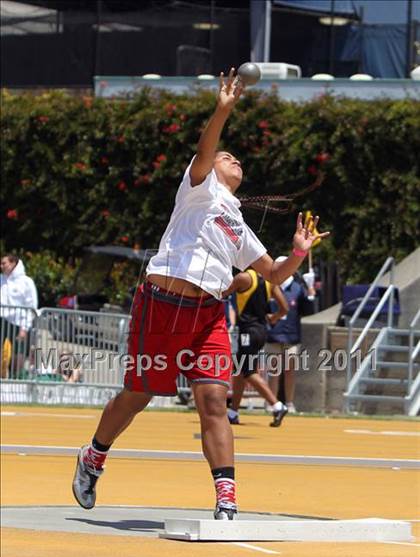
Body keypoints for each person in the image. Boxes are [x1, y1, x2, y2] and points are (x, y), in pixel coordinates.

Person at [72, 68, 329, 521]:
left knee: (213, 401)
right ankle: (94, 456)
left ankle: (226, 497)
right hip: (162, 304)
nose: (231, 159)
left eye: (234, 159)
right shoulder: (199, 188)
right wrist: (222, 110)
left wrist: (298, 252)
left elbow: (273, 274)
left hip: (207, 315)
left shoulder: (239, 226)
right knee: (138, 393)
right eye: (226, 155)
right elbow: (206, 147)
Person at [226, 268, 290, 427]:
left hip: (248, 331)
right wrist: (273, 318)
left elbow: (222, 293)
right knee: (241, 370)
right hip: (261, 330)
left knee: (248, 372)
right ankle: (233, 412)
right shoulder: (270, 282)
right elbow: (284, 308)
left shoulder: (243, 278)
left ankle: (277, 405)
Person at [266, 257, 316, 413]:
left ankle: (289, 402)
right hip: (273, 334)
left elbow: (307, 311)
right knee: (273, 371)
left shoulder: (297, 288)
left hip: (291, 336)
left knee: (290, 371)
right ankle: (272, 402)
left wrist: (310, 290)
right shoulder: (270, 286)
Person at [0, 254, 38, 376]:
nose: (1, 266)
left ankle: (16, 379)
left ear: (12, 264)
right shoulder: (1, 279)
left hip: (18, 323)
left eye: (3, 263)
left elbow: (31, 306)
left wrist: (24, 327)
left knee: (18, 355)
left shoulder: (26, 282)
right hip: (2, 320)